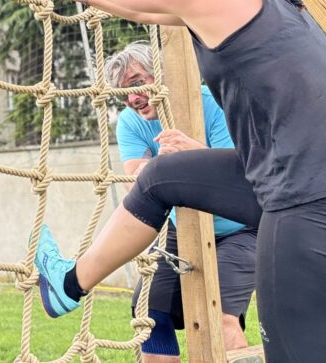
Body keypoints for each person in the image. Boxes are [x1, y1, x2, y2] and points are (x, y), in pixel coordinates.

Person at [23, 0, 326, 363]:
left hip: (323, 205)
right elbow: (149, 9)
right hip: (315, 187)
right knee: (162, 177)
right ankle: (69, 284)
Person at [104, 41, 256, 360]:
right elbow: (138, 176)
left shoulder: (213, 102)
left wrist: (193, 155)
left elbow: (241, 170)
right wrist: (167, 165)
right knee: (148, 313)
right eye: (123, 92)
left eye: (136, 83)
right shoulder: (131, 122)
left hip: (242, 227)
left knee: (221, 316)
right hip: (182, 228)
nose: (132, 98)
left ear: (160, 75)